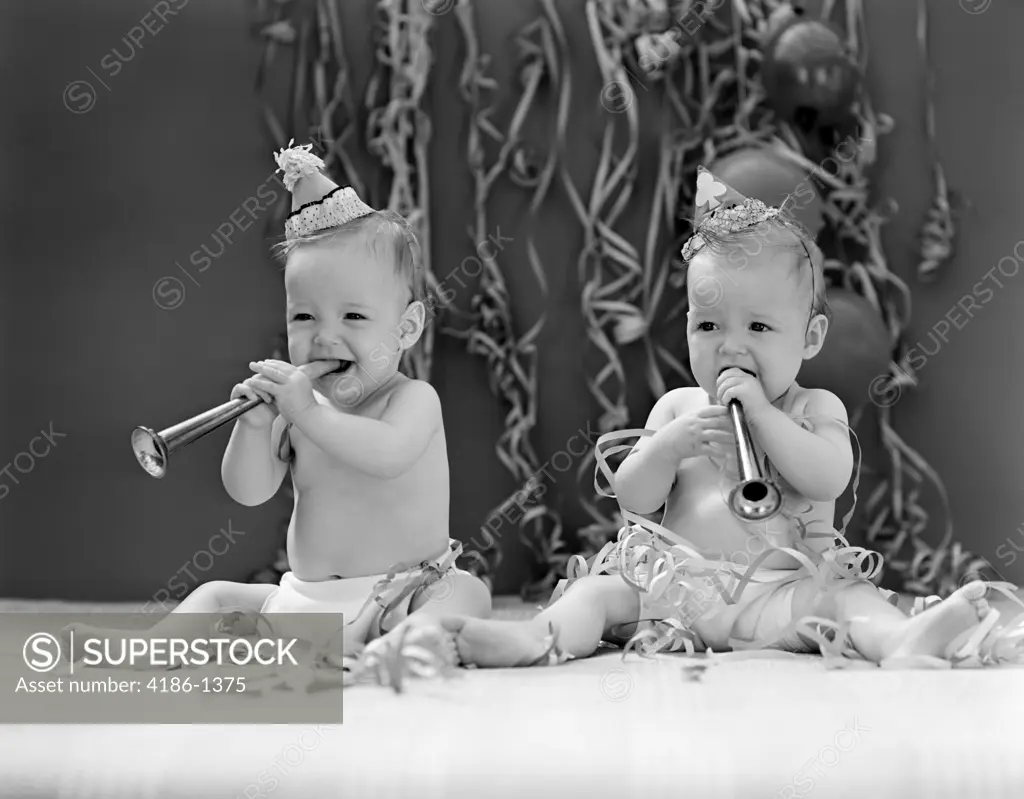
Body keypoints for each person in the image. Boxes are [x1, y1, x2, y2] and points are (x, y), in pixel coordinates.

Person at [431, 166, 1015, 669]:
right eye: (708, 327)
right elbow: (633, 500)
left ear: (810, 339)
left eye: (758, 327)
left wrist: (764, 416)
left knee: (843, 598)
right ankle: (537, 638)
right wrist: (666, 448)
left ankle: (899, 640)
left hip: (777, 591)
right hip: (672, 592)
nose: (730, 347)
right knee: (597, 593)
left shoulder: (814, 408)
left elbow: (827, 478)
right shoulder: (679, 407)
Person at [65, 142, 490, 668]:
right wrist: (255, 426)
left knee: (465, 591)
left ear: (405, 329)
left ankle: (398, 650)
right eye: (305, 318)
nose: (325, 337)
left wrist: (309, 414)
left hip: (401, 596)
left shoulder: (413, 400)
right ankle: (146, 648)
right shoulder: (295, 407)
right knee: (219, 596)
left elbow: (387, 456)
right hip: (306, 602)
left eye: (354, 317)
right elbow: (248, 492)